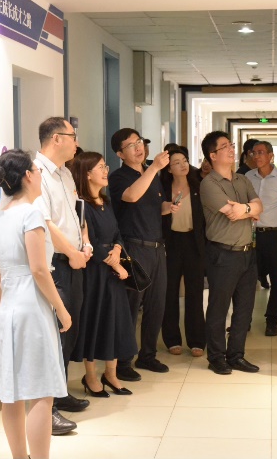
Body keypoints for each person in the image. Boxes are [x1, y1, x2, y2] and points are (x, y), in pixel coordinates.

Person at [0, 150, 71, 459]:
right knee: (41, 393)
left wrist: (5, 309)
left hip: (8, 309)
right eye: (37, 169)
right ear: (27, 176)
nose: (40, 174)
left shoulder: (0, 217)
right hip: (32, 310)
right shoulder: (31, 214)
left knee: (11, 394)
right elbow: (38, 270)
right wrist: (61, 309)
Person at [30, 117, 91, 434]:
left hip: (75, 261)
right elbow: (46, 223)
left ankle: (60, 391)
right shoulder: (36, 174)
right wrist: (71, 252)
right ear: (56, 139)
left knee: (70, 330)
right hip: (56, 264)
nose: (76, 142)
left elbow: (77, 213)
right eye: (72, 136)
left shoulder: (65, 173)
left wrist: (85, 244)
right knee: (56, 333)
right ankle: (47, 410)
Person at [68, 151, 137, 398]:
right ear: (87, 174)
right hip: (95, 273)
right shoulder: (81, 205)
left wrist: (117, 250)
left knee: (114, 322)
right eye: (100, 167)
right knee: (95, 321)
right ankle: (91, 376)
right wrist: (115, 265)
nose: (106, 171)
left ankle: (111, 374)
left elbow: (117, 233)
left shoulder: (105, 201)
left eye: (105, 166)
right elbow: (90, 243)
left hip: (112, 271)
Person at [198, 131, 263, 375]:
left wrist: (246, 208)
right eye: (225, 146)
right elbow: (231, 213)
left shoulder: (242, 180)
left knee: (244, 309)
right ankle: (216, 357)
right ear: (213, 155)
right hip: (223, 254)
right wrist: (249, 210)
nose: (231, 149)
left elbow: (259, 207)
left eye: (231, 145)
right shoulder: (209, 184)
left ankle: (236, 355)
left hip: (247, 252)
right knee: (219, 307)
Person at [108, 128, 170, 380]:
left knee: (157, 305)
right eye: (131, 145)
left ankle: (148, 355)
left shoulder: (150, 173)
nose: (138, 148)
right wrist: (154, 168)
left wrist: (169, 206)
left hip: (157, 247)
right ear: (120, 154)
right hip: (134, 247)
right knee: (131, 307)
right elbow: (132, 196)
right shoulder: (118, 177)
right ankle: (123, 362)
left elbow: (157, 205)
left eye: (139, 142)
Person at [160, 145, 206, 357]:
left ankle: (197, 340)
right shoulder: (162, 187)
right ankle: (172, 339)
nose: (183, 165)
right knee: (169, 292)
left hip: (194, 242)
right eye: (176, 163)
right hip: (171, 242)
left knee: (195, 292)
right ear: (169, 168)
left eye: (185, 161)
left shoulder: (198, 185)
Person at [246, 140, 277, 335]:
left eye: (261, 152)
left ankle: (272, 321)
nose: (256, 156)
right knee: (246, 279)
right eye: (254, 153)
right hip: (252, 236)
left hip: (275, 235)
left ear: (271, 156)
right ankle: (243, 320)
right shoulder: (247, 177)